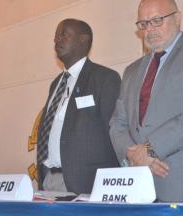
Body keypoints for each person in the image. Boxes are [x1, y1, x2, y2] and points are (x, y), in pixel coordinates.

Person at [110, 0, 183, 202]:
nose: (149, 29)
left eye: (156, 20)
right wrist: (134, 158)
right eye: (143, 24)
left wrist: (151, 149)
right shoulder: (132, 71)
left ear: (177, 18)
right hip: (138, 187)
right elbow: (117, 123)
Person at [37, 18, 121, 194]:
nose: (57, 40)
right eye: (55, 37)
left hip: (86, 184)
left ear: (84, 39)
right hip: (49, 181)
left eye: (64, 35)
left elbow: (116, 131)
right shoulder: (55, 84)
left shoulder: (104, 78)